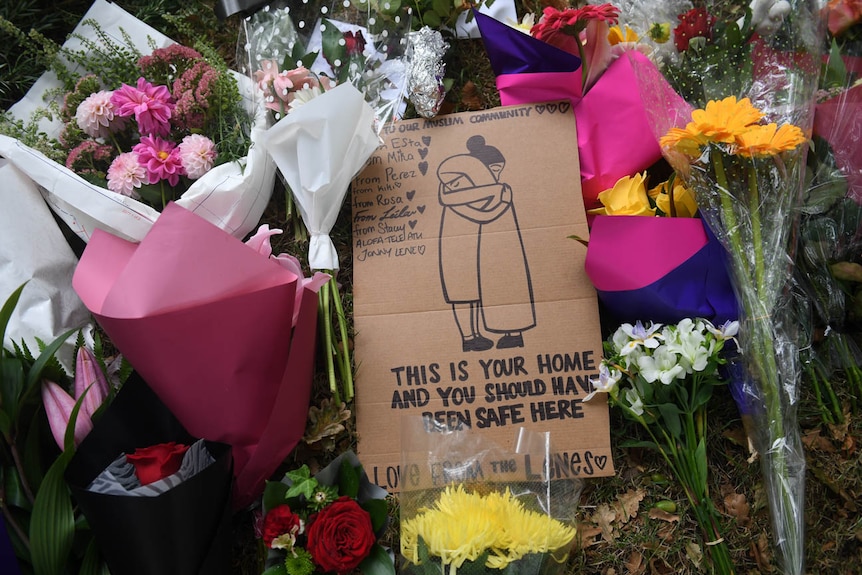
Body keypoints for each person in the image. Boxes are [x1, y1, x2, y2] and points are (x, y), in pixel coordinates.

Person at [436, 136, 535, 352]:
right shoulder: (455, 194)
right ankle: (470, 337)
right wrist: (502, 202)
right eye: (493, 169)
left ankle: (512, 332)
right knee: (463, 293)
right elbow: (481, 216)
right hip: (460, 251)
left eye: (499, 169)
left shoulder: (499, 191)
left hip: (491, 251)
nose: (496, 174)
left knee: (502, 286)